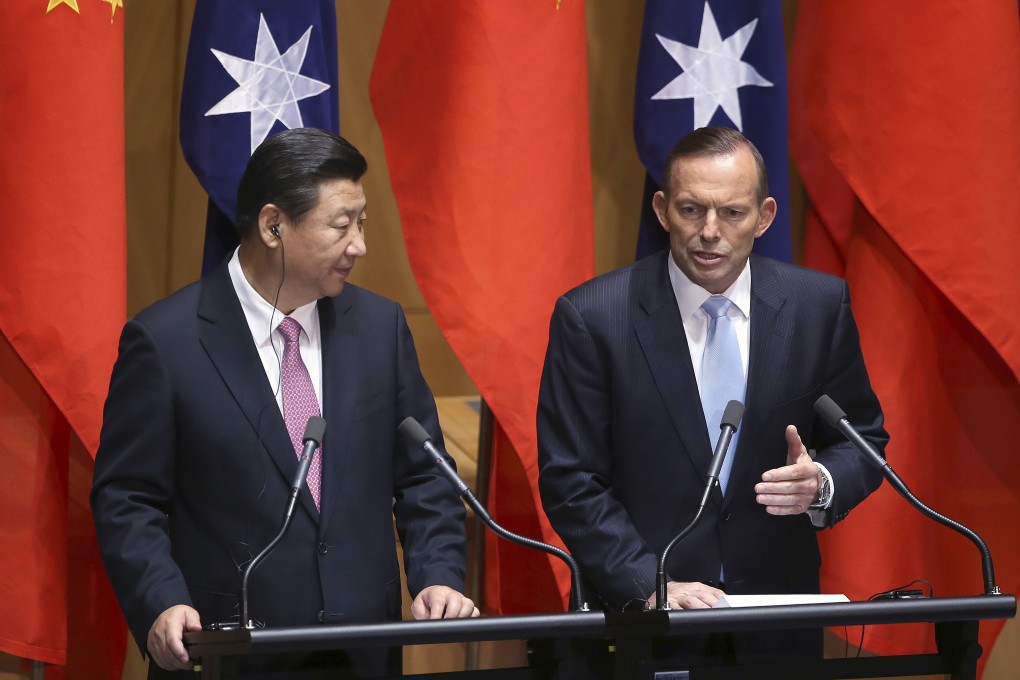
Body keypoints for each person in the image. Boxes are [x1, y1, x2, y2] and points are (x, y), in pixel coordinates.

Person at [91, 128, 477, 679]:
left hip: (364, 648)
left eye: (362, 222)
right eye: (342, 225)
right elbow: (128, 497)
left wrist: (438, 574)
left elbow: (425, 476)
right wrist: (160, 600)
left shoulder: (381, 329)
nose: (360, 245)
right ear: (274, 226)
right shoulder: (166, 342)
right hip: (228, 648)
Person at [537, 127, 887, 664]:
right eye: (690, 209)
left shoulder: (818, 305)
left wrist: (821, 483)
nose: (709, 232)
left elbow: (863, 438)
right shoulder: (594, 317)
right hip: (643, 627)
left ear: (765, 216)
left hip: (777, 626)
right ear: (661, 209)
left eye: (732, 213)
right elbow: (570, 478)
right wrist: (648, 580)